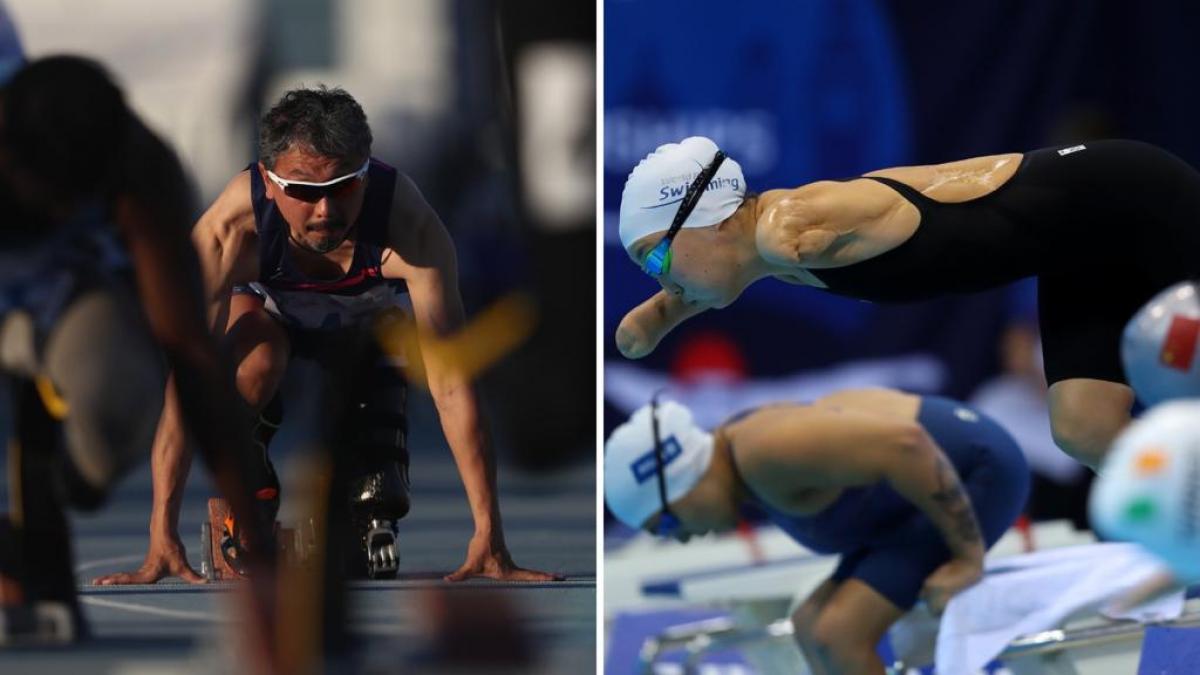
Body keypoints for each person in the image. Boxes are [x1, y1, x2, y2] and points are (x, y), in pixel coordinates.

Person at [94, 86, 555, 586]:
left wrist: (489, 532)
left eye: (343, 186)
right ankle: (246, 497)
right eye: (304, 191)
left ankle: (372, 500)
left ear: (366, 168)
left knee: (384, 407)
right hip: (270, 312)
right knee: (252, 363)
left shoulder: (411, 228)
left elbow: (452, 386)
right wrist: (161, 532)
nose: (324, 211)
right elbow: (189, 382)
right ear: (268, 184)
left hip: (370, 322)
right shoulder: (229, 231)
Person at [614, 136, 1200, 471]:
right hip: (1080, 250)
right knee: (1084, 429)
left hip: (1131, 196)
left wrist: (791, 241)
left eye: (657, 261)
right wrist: (653, 317)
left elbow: (809, 223)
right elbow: (641, 330)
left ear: (707, 223)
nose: (663, 283)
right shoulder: (750, 252)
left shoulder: (787, 226)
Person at [0, 55, 275, 661]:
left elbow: (193, 358)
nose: (66, 211)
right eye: (54, 195)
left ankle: (62, 488)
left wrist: (260, 552)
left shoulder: (142, 172)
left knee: (118, 406)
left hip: (71, 294)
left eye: (82, 196)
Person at [604, 387, 1029, 675]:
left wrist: (967, 559)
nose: (679, 538)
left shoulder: (764, 452)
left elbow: (907, 444)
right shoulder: (742, 455)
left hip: (977, 471)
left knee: (840, 633)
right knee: (810, 623)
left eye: (669, 523)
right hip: (913, 504)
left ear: (684, 480)